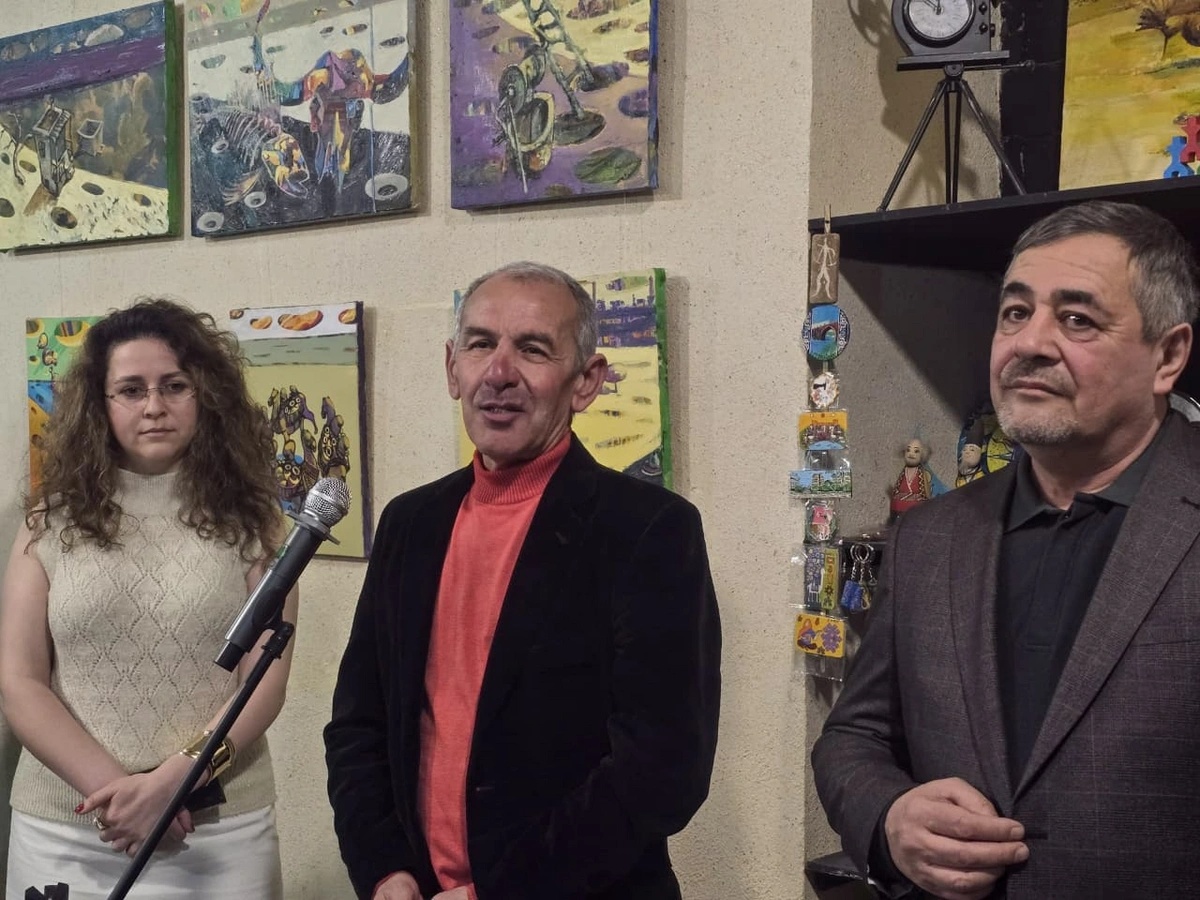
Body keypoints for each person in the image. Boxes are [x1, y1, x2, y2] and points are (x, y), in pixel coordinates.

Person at [812, 199, 1200, 899]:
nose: (1030, 342)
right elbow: (854, 738)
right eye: (1015, 312)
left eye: (1077, 319)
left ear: (1167, 356)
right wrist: (890, 817)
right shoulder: (929, 537)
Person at [325, 261, 722, 900]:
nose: (499, 372)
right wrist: (383, 870)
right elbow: (358, 723)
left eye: (533, 349)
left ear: (586, 381)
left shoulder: (648, 530)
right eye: (480, 344)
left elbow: (663, 768)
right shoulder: (411, 523)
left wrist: (496, 892)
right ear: (452, 368)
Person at [0, 299, 295, 899]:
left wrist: (173, 784)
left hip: (215, 829)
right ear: (100, 404)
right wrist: (119, 793)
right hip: (70, 826)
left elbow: (264, 682)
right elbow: (20, 682)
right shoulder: (47, 522)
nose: (155, 406)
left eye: (175, 386)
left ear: (205, 395)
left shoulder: (257, 523)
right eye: (131, 390)